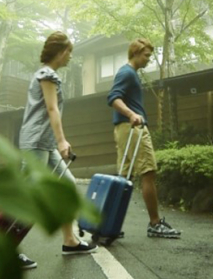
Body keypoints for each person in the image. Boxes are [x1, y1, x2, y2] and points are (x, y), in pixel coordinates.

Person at [18, 32, 97, 269]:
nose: (70, 57)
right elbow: (52, 109)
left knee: (67, 186)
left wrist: (57, 141)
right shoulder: (47, 74)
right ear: (61, 52)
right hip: (36, 143)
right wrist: (62, 141)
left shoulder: (45, 74)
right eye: (69, 52)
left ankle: (70, 241)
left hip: (45, 142)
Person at [107, 38, 182, 239]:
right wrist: (132, 114)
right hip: (133, 128)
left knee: (124, 179)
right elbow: (113, 97)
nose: (149, 59)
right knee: (148, 172)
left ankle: (109, 225)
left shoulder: (130, 73)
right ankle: (155, 223)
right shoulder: (127, 73)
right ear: (136, 53)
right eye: (147, 55)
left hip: (124, 129)